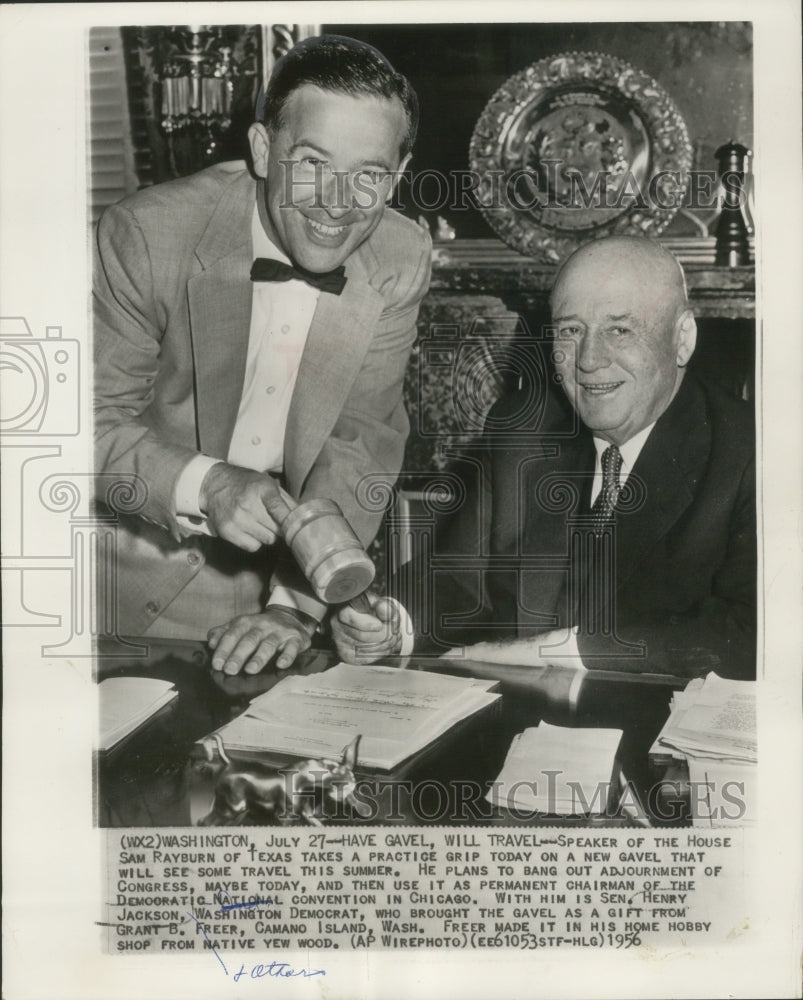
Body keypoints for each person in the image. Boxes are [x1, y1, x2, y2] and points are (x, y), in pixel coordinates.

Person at [94, 35, 431, 673]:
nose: (338, 202)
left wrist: (295, 607)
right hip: (121, 589)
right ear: (261, 149)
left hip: (283, 598)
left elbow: (362, 437)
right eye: (311, 163)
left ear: (399, 177)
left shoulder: (400, 256)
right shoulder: (146, 234)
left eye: (369, 175)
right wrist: (207, 482)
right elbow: (78, 428)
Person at [332, 235, 756, 679]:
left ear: (682, 338)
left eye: (619, 330)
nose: (589, 361)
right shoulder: (525, 429)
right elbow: (459, 577)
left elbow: (752, 635)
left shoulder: (752, 453)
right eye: (571, 331)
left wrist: (562, 650)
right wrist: (393, 624)